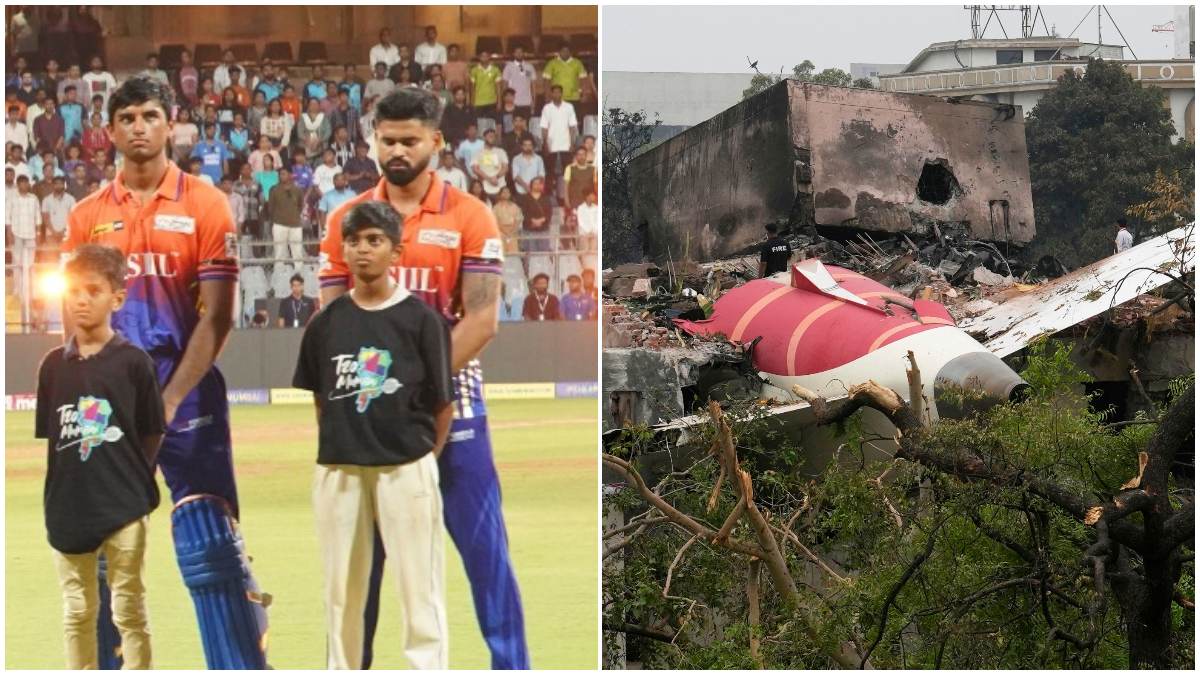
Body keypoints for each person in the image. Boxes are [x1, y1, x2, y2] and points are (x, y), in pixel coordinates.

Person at [318, 87, 530, 670]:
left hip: (451, 400)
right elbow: (331, 324)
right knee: (362, 566)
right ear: (372, 141)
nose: (398, 150)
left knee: (486, 556)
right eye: (387, 140)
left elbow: (482, 320)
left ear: (435, 142)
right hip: (368, 410)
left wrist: (412, 385)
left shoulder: (469, 215)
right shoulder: (347, 219)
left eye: (410, 140)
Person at [63, 76, 268, 669]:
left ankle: (239, 665)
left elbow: (219, 316)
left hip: (187, 393)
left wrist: (172, 397)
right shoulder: (86, 216)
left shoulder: (206, 204)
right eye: (126, 117)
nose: (138, 127)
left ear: (169, 123)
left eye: (150, 115)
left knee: (207, 540)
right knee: (101, 548)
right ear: (110, 130)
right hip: (109, 403)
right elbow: (76, 317)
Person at [297, 200, 453, 669]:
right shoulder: (325, 323)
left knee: (420, 592)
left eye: (374, 240)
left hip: (406, 469)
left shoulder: (422, 320)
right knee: (341, 594)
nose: (363, 250)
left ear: (396, 251)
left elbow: (442, 405)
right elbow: (322, 402)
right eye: (354, 241)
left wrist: (420, 459)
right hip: (340, 471)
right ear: (342, 250)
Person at [36, 243, 166, 670]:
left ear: (117, 298)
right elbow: (55, 442)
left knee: (129, 612)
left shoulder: (134, 363)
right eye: (74, 290)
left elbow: (152, 432)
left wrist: (127, 479)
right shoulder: (53, 367)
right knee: (77, 614)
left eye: (93, 290)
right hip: (68, 509)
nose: (81, 299)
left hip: (125, 508)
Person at [539, 85, 578, 192]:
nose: (556, 94)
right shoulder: (547, 108)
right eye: (554, 92)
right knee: (550, 172)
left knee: (567, 172)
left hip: (566, 144)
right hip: (551, 145)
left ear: (561, 93)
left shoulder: (569, 107)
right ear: (551, 94)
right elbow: (544, 127)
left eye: (558, 92)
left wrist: (571, 143)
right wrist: (545, 143)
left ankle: (567, 192)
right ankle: (550, 194)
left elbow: (572, 127)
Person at [268, 166, 305, 268]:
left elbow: (300, 205)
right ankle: (279, 273)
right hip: (279, 224)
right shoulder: (274, 189)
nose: (282, 176)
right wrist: (276, 219)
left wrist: (295, 215)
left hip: (295, 224)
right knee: (279, 251)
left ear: (289, 175)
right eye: (280, 174)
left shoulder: (297, 189)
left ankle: (299, 273)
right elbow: (270, 207)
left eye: (284, 174)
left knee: (297, 250)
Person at [542, 45, 591, 109]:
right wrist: (547, 95)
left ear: (570, 52)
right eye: (563, 51)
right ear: (559, 52)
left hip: (574, 97)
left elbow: (583, 79)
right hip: (557, 97)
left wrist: (585, 94)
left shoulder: (577, 63)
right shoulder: (552, 63)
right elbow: (546, 80)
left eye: (567, 51)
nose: (565, 53)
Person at [470, 128, 508, 203]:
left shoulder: (501, 151)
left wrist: (496, 177)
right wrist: (489, 179)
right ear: (484, 138)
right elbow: (475, 169)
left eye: (494, 137)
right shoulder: (477, 153)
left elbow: (505, 168)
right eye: (490, 136)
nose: (492, 139)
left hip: (499, 186)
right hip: (484, 187)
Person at [516, 176, 552, 254]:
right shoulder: (525, 198)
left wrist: (541, 220)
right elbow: (524, 212)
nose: (537, 185)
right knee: (530, 253)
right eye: (535, 184)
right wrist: (533, 220)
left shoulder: (546, 198)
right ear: (531, 185)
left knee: (543, 253)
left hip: (543, 229)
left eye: (539, 184)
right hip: (529, 229)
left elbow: (549, 212)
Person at [502, 48, 537, 120]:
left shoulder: (529, 67)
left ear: (524, 53)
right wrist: (506, 100)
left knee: (526, 125)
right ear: (513, 54)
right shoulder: (509, 67)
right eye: (516, 52)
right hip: (513, 103)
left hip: (527, 102)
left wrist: (534, 100)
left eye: (520, 52)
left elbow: (533, 83)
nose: (518, 54)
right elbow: (505, 84)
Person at [468, 51, 502, 124]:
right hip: (478, 102)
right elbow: (472, 87)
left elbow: (498, 87)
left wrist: (499, 101)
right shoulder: (474, 70)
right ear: (479, 58)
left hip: (491, 101)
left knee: (491, 122)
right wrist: (472, 101)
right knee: (478, 123)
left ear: (489, 57)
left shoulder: (495, 70)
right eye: (482, 56)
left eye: (486, 56)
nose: (484, 58)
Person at [492, 186, 523, 256]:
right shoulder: (496, 207)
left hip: (512, 233)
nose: (505, 194)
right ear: (500, 194)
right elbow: (495, 222)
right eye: (503, 192)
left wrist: (512, 231)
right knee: (502, 254)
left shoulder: (514, 206)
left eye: (507, 192)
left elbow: (518, 220)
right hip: (501, 233)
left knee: (513, 254)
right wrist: (504, 231)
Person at [576, 190, 598, 256]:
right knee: (584, 249)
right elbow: (581, 221)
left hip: (594, 233)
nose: (593, 197)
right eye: (591, 195)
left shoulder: (597, 208)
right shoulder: (580, 208)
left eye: (594, 195)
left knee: (594, 249)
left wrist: (593, 231)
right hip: (584, 233)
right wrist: (588, 231)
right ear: (587, 197)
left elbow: (597, 221)